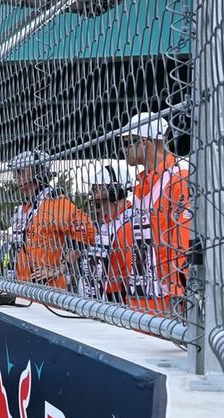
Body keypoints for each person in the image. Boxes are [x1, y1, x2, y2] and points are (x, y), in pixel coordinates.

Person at [120, 112, 192, 315]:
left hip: (170, 301)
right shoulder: (143, 184)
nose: (124, 150)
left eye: (127, 144)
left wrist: (179, 294)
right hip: (144, 295)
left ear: (144, 142)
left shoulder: (179, 176)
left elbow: (183, 243)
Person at [7, 150, 93, 290]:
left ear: (37, 172)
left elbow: (87, 230)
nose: (15, 176)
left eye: (20, 171)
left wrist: (61, 267)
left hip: (47, 291)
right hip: (23, 287)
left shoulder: (54, 202)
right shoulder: (26, 207)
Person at [80, 164, 163, 304]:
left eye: (99, 186)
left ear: (115, 189)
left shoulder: (129, 224)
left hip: (118, 300)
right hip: (101, 298)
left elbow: (133, 275)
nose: (93, 189)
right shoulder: (108, 222)